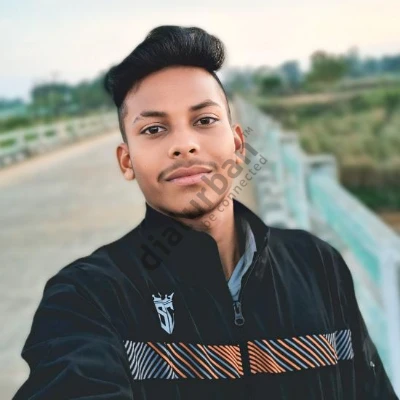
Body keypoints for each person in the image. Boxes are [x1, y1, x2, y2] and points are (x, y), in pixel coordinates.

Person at [13, 25, 398, 399]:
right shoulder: (88, 297)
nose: (184, 145)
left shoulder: (318, 266)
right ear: (127, 161)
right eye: (154, 129)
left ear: (238, 144)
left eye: (204, 120)